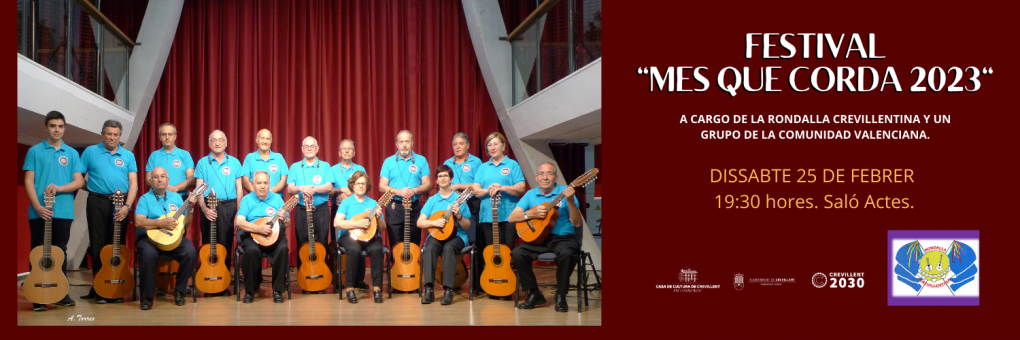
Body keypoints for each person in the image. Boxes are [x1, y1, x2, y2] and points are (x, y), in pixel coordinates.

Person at [23, 110, 83, 311]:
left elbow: (79, 181)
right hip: (39, 211)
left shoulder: (72, 153)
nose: (56, 130)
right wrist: (38, 207)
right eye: (52, 126)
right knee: (37, 252)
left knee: (60, 252)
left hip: (64, 211)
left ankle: (60, 293)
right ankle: (37, 295)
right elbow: (28, 181)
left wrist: (59, 188)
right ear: (46, 127)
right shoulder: (34, 151)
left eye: (60, 126)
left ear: (64, 128)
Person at [508, 163, 582, 312]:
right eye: (541, 174)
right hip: (539, 239)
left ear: (556, 177)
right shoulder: (530, 194)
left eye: (549, 174)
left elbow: (577, 222)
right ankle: (534, 293)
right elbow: (511, 217)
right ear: (536, 178)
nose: (545, 177)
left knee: (568, 254)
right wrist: (531, 214)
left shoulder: (565, 192)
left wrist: (570, 201)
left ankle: (561, 295)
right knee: (517, 253)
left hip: (562, 238)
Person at [80, 119, 137, 304]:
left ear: (120, 136)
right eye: (109, 134)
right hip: (96, 202)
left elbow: (134, 184)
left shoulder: (128, 155)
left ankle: (115, 286)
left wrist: (127, 206)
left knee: (117, 246)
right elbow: (78, 178)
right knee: (97, 244)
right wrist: (93, 189)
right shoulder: (90, 152)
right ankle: (99, 287)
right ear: (102, 134)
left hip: (121, 204)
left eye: (116, 134)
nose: (112, 137)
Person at [133, 167, 199, 310]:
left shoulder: (176, 197)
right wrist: (160, 223)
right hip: (148, 238)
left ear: (168, 180)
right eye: (156, 177)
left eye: (163, 176)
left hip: (171, 239)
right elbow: (138, 221)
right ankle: (148, 297)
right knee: (148, 254)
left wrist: (191, 208)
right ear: (151, 181)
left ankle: (180, 291)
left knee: (190, 251)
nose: (160, 179)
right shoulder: (144, 199)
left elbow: (186, 223)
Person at [470, 132, 525, 298]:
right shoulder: (483, 167)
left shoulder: (512, 165)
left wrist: (501, 188)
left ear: (503, 145)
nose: (492, 147)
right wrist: (489, 190)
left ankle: (507, 286)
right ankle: (493, 284)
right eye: (489, 145)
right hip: (487, 216)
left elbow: (521, 187)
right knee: (492, 253)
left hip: (509, 215)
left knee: (507, 253)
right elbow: (475, 190)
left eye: (495, 144)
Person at [417, 165, 471, 305]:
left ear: (451, 178)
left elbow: (467, 225)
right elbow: (420, 223)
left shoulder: (459, 199)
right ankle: (428, 289)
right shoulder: (432, 200)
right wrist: (434, 223)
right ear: (436, 180)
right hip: (436, 235)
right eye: (440, 176)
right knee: (429, 248)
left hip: (457, 236)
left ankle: (448, 290)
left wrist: (458, 215)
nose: (442, 178)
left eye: (445, 176)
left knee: (448, 249)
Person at [235, 170, 290, 303]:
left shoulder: (277, 198)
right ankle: (250, 290)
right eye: (259, 183)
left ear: (269, 184)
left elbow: (287, 223)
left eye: (265, 183)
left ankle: (278, 290)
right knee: (251, 251)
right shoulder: (247, 199)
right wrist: (258, 228)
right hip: (252, 234)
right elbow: (239, 222)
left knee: (283, 248)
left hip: (274, 235)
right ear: (253, 184)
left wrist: (284, 219)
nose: (262, 186)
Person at [286, 136, 334, 289]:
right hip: (301, 210)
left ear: (317, 148)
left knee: (321, 243)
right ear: (302, 149)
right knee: (302, 243)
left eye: (312, 146)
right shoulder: (295, 167)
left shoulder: (325, 166)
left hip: (320, 210)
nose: (309, 148)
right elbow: (290, 188)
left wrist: (311, 189)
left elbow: (328, 187)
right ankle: (305, 279)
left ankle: (321, 279)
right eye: (306, 146)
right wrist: (302, 188)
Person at [195, 130, 243, 273]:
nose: (217, 143)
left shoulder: (234, 162)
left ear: (226, 143)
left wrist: (238, 213)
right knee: (208, 243)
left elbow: (239, 189)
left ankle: (224, 278)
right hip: (208, 206)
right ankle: (208, 277)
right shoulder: (203, 163)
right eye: (214, 140)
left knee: (225, 243)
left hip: (229, 207)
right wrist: (204, 209)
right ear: (209, 143)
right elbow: (198, 190)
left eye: (221, 140)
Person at [334, 171, 385, 304]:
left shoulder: (374, 203)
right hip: (349, 237)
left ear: (367, 186)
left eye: (363, 183)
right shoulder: (346, 203)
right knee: (354, 249)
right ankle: (349, 288)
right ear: (353, 185)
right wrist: (357, 223)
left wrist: (378, 218)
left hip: (370, 236)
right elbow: (337, 222)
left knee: (377, 248)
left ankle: (377, 289)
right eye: (358, 183)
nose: (361, 186)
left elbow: (383, 227)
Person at [378, 130, 432, 249]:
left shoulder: (421, 160)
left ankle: (412, 267)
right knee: (396, 243)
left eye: (407, 141)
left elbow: (428, 184)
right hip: (394, 207)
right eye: (401, 142)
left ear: (412, 143)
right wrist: (399, 192)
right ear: (396, 144)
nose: (404, 144)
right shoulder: (388, 161)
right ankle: (397, 267)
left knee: (413, 243)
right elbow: (382, 186)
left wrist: (413, 191)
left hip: (414, 206)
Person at [443, 132, 482, 293]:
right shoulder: (447, 163)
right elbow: (443, 183)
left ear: (467, 146)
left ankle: (476, 285)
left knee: (475, 242)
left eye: (460, 144)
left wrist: (459, 187)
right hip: (453, 204)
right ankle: (452, 281)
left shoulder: (476, 162)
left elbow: (478, 184)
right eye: (455, 144)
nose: (457, 147)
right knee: (451, 237)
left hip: (472, 203)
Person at [144, 123, 195, 243]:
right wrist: (165, 188)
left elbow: (191, 178)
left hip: (180, 199)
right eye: (164, 134)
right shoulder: (154, 156)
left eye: (170, 134)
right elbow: (147, 180)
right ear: (160, 137)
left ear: (175, 136)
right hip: (157, 199)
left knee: (179, 234)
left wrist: (174, 189)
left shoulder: (184, 155)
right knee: (158, 234)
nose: (167, 137)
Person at [329, 139, 368, 289]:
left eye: (349, 149)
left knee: (360, 241)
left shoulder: (360, 169)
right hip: (338, 211)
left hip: (357, 211)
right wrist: (339, 191)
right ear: (339, 152)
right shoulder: (332, 169)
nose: (346, 151)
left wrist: (350, 195)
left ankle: (359, 279)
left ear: (354, 152)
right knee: (338, 245)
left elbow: (365, 187)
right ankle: (337, 278)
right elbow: (328, 190)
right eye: (344, 149)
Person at [241, 129, 288, 194]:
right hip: (254, 200)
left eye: (268, 139)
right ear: (257, 140)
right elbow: (245, 180)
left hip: (275, 201)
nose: (265, 141)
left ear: (271, 141)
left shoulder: (279, 157)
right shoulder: (250, 157)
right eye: (262, 138)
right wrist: (257, 194)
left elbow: (284, 180)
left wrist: (270, 194)